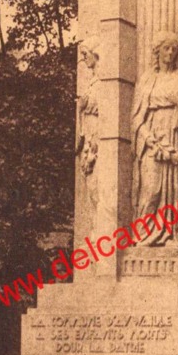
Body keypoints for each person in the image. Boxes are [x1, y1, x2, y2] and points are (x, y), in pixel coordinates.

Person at [131, 30, 178, 247]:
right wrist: (148, 138)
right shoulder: (147, 79)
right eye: (166, 48)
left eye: (174, 49)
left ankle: (169, 232)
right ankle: (143, 234)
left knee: (174, 187)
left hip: (175, 135)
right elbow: (135, 118)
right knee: (151, 188)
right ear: (157, 51)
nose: (170, 53)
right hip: (152, 137)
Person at [76, 36, 100, 219]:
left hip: (96, 136)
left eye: (85, 53)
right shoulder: (92, 82)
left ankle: (99, 231)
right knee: (90, 184)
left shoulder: (102, 82)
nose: (83, 58)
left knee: (96, 187)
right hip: (89, 132)